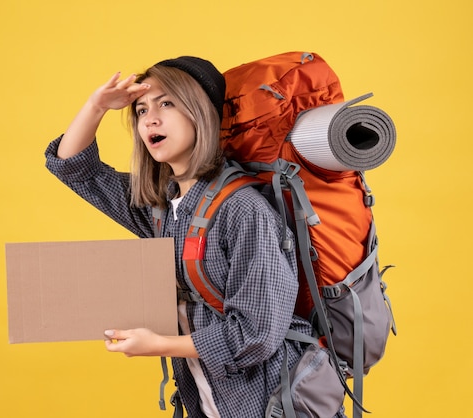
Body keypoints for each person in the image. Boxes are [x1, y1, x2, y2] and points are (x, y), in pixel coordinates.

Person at [44, 57, 326, 417]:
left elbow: (257, 333)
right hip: (208, 401)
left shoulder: (244, 210)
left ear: (200, 113)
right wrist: (96, 106)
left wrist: (159, 344)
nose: (150, 118)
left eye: (166, 103)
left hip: (267, 400)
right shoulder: (159, 206)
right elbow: (76, 170)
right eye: (141, 110)